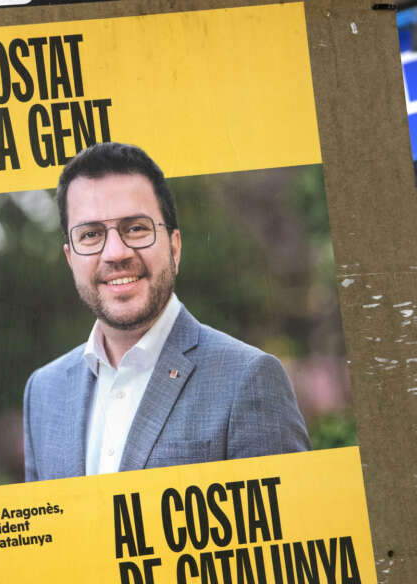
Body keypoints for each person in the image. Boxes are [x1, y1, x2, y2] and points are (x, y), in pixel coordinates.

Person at [23, 142, 311, 482]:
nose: (115, 252)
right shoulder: (43, 391)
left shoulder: (249, 379)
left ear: (174, 246)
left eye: (136, 228)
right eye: (90, 234)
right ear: (71, 258)